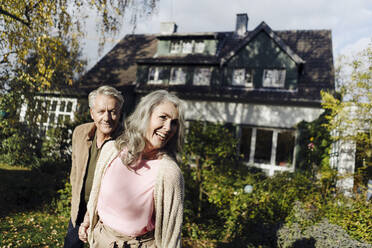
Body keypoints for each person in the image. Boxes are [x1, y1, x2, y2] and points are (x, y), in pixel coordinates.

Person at [78, 90, 185, 248]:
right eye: (163, 117)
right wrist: (88, 220)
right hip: (101, 239)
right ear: (144, 116)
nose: (168, 128)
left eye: (174, 122)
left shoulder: (169, 172)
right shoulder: (111, 151)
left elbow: (172, 233)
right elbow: (97, 193)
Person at [64, 85, 124, 248]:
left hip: (108, 217)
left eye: (113, 111)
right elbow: (75, 171)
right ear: (92, 113)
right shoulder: (80, 133)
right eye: (101, 111)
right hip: (79, 210)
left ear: (119, 113)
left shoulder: (127, 143)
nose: (107, 117)